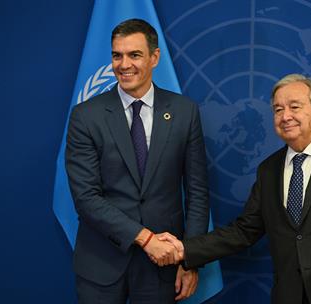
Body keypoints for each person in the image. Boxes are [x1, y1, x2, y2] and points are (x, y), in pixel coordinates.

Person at [161, 74, 311, 304]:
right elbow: (244, 231)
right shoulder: (269, 170)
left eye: (294, 107)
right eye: (277, 109)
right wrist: (184, 249)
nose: (285, 116)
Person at [65, 18, 209, 304]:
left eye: (134, 55)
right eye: (117, 55)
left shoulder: (184, 112)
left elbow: (197, 193)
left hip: (162, 269)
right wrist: (145, 238)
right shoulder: (86, 116)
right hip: (101, 264)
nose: (124, 64)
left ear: (155, 57)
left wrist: (191, 259)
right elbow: (85, 197)